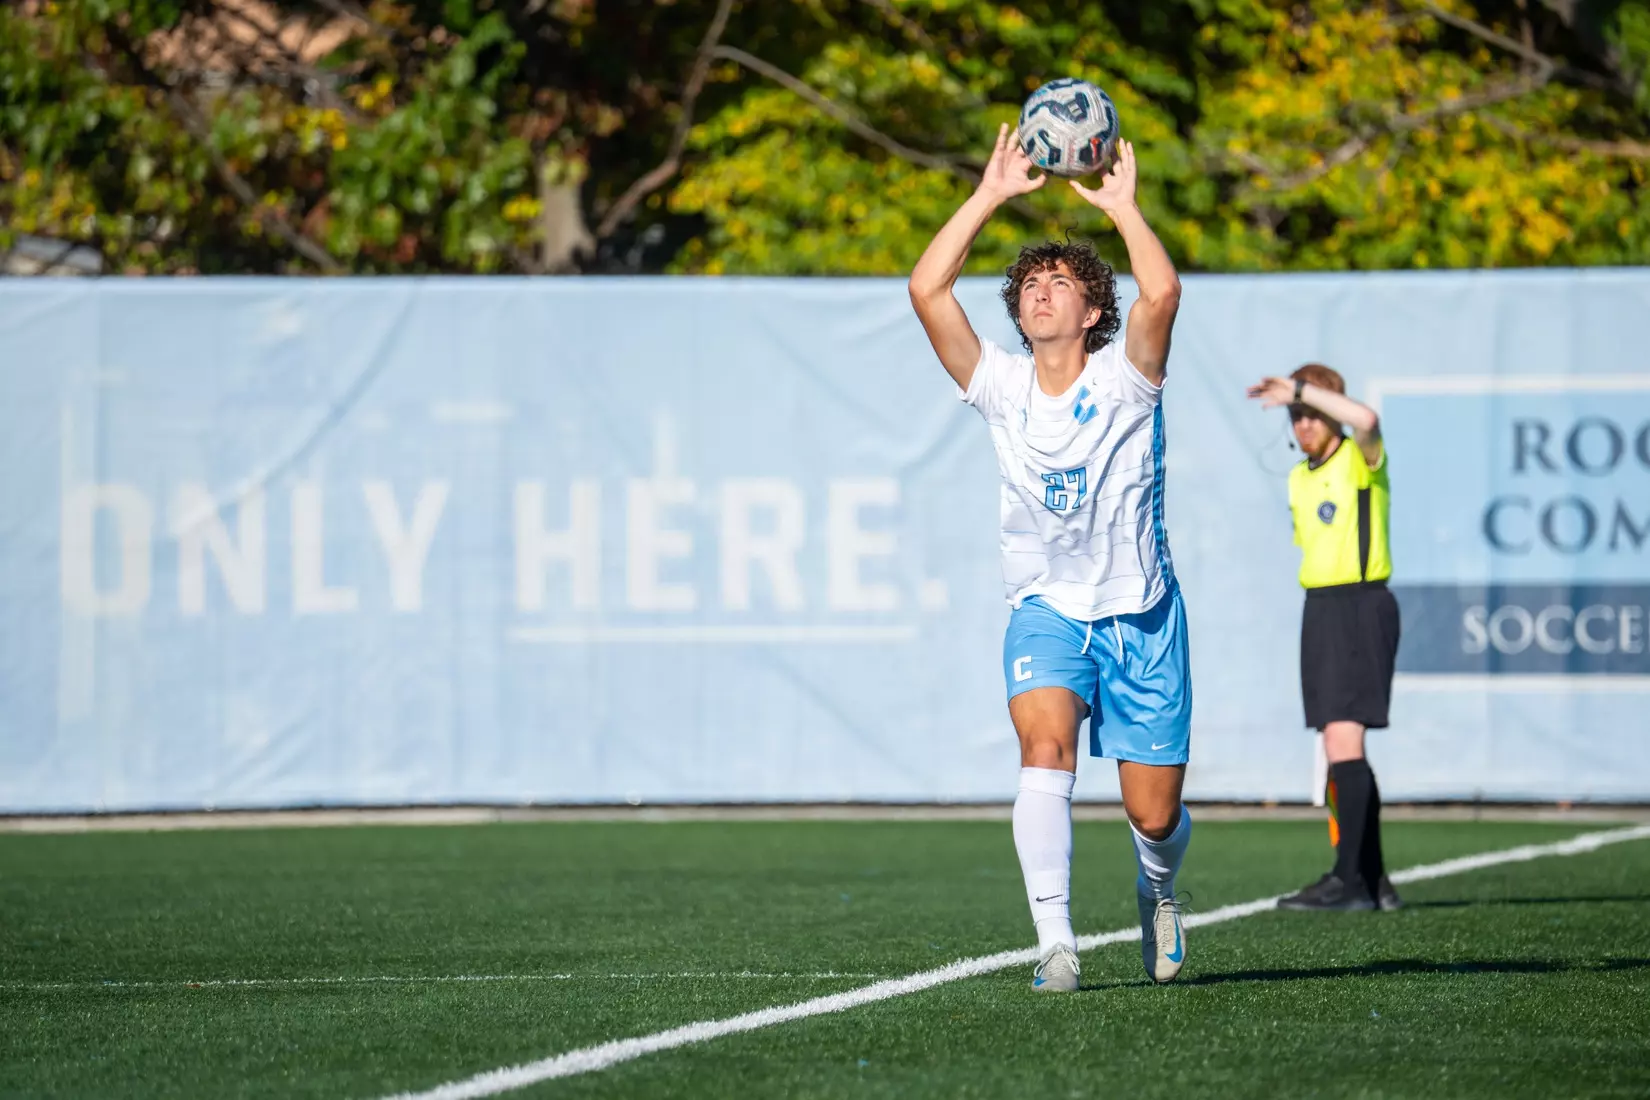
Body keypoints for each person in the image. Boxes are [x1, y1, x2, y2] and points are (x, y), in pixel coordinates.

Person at [908, 126, 1192, 992]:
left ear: (1090, 311)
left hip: (1141, 612)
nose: (1037, 293)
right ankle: (1057, 944)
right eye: (1028, 284)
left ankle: (1160, 888)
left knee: (1155, 812)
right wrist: (991, 192)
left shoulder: (1124, 379)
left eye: (1057, 283)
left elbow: (1163, 294)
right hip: (1047, 607)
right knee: (1045, 749)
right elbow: (927, 288)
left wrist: (1123, 208)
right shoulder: (1001, 385)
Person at [1246, 364, 1403, 912]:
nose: (1304, 423)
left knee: (1343, 741)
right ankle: (1375, 879)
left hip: (1361, 604)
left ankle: (1348, 882)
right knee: (1343, 745)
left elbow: (1366, 418)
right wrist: (1298, 399)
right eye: (1296, 414)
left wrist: (1302, 391)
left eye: (1312, 412)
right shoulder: (1298, 477)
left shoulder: (1362, 458)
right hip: (1322, 609)